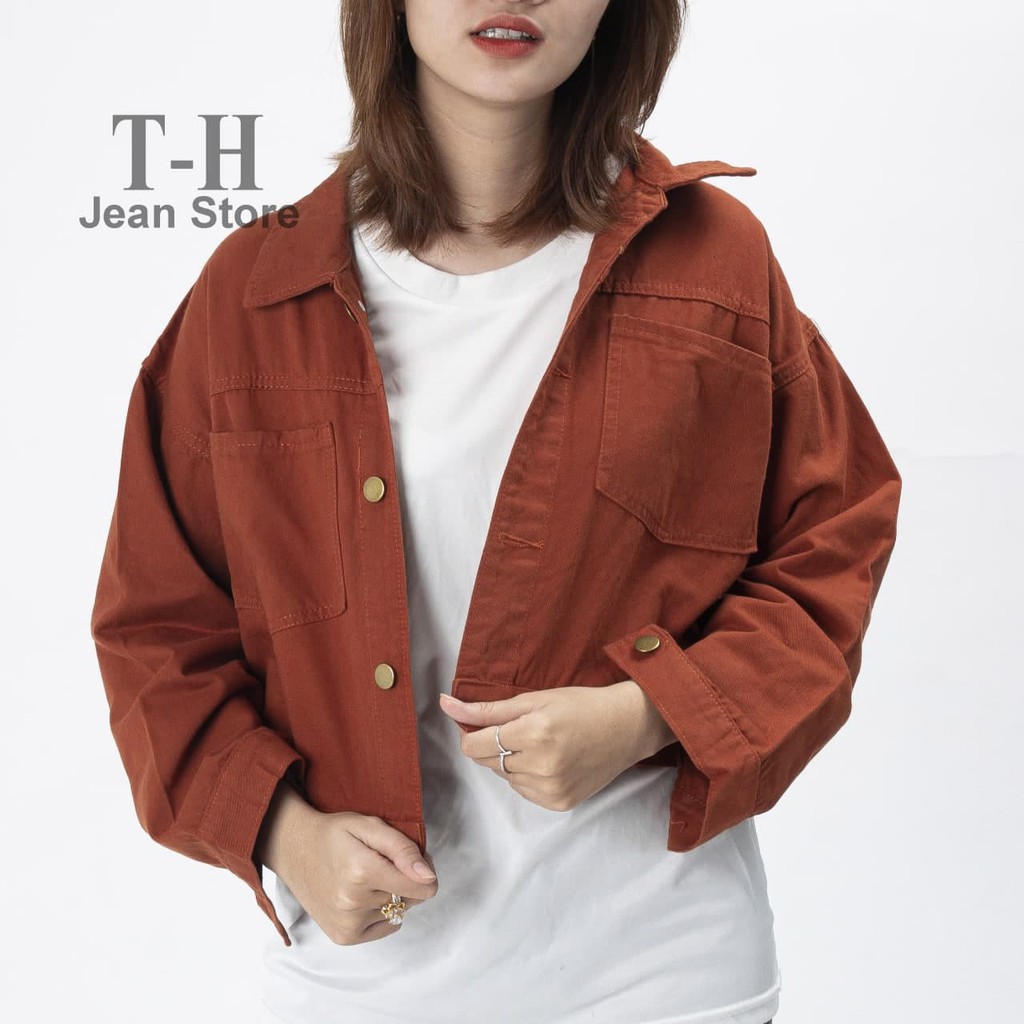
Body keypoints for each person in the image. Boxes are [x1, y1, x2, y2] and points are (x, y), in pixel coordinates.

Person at [90, 2, 901, 1022]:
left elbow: (831, 550)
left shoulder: (715, 262)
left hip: (664, 972)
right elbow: (158, 627)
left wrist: (646, 714)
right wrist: (285, 832)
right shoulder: (254, 290)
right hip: (363, 983)